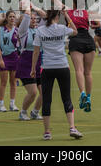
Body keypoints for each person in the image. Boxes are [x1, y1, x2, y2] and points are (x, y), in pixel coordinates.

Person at [39, 0, 101, 113]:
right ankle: (89, 98)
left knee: (79, 70)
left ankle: (83, 93)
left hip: (76, 39)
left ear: (73, 3)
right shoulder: (87, 12)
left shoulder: (68, 10)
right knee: (88, 72)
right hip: (88, 41)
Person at [31, 9, 82, 140]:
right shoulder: (62, 28)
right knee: (66, 98)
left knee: (46, 100)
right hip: (62, 66)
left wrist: (33, 68)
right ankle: (72, 127)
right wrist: (67, 16)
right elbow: (75, 31)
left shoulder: (40, 30)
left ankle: (47, 132)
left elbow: (36, 51)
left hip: (47, 68)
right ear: (57, 17)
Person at [16, 0, 45, 121]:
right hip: (26, 62)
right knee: (33, 92)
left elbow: (46, 16)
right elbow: (27, 16)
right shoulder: (23, 31)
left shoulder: (40, 29)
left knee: (45, 92)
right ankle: (23, 112)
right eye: (32, 18)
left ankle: (35, 112)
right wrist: (27, 6)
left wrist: (35, 7)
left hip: (40, 62)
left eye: (35, 18)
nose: (34, 20)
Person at [0, 10, 19, 112]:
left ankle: (12, 104)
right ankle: (1, 104)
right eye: (10, 17)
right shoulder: (1, 29)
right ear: (7, 18)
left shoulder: (17, 30)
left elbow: (19, 44)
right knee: (3, 82)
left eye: (14, 17)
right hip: (4, 57)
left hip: (14, 57)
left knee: (13, 82)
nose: (12, 18)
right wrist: (1, 59)